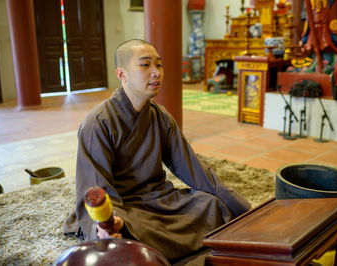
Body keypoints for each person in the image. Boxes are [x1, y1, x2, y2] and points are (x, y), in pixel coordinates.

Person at [64, 39, 251, 262]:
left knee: (214, 205)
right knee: (121, 237)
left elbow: (193, 169)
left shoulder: (161, 116)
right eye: (145, 65)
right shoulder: (97, 122)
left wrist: (243, 208)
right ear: (122, 74)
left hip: (159, 199)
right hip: (123, 207)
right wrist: (108, 223)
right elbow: (95, 185)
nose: (156, 72)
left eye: (159, 65)